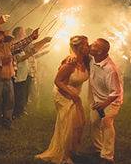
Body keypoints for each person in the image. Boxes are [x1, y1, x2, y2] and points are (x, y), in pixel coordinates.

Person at [35, 36, 90, 164]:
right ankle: (63, 155)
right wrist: (72, 94)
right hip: (63, 94)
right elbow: (57, 81)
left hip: (74, 95)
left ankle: (72, 149)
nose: (89, 47)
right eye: (86, 45)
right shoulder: (70, 62)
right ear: (77, 47)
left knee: (79, 123)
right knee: (67, 124)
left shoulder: (86, 60)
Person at [0, 27, 39, 129]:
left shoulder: (7, 46)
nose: (2, 37)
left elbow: (20, 45)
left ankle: (7, 122)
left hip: (8, 78)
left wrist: (31, 37)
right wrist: (1, 63)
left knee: (9, 101)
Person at [88, 38, 123, 164]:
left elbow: (116, 92)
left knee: (106, 122)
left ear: (100, 51)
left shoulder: (110, 69)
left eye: (94, 45)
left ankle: (107, 156)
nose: (91, 45)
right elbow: (78, 50)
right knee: (93, 122)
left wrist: (104, 104)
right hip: (98, 100)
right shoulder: (93, 58)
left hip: (112, 101)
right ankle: (99, 149)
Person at [12, 26, 52, 118]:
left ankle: (20, 110)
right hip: (18, 73)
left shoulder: (22, 44)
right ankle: (16, 112)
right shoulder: (14, 43)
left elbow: (32, 48)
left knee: (24, 92)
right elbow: (27, 52)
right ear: (18, 33)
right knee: (19, 93)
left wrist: (44, 44)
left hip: (25, 73)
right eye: (23, 32)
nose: (25, 33)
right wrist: (44, 41)